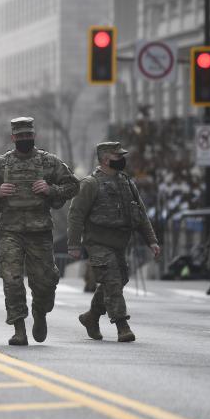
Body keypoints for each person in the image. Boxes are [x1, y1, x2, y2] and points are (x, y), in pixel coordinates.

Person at [0, 117, 78, 346]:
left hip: (39, 231)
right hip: (10, 230)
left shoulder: (49, 162)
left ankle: (40, 312)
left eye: (27, 136)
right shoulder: (0, 164)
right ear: (13, 138)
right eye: (19, 136)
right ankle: (19, 328)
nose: (24, 139)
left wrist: (51, 189)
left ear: (34, 136)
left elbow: (73, 186)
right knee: (11, 279)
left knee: (45, 281)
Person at [68, 141, 160, 342]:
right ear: (106, 159)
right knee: (112, 281)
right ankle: (122, 325)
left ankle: (91, 317)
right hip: (98, 242)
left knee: (119, 281)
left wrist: (151, 241)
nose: (122, 160)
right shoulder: (90, 184)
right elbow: (76, 215)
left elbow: (141, 214)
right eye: (118, 157)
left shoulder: (127, 183)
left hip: (120, 243)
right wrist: (74, 244)